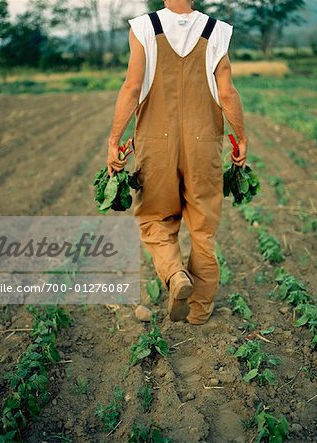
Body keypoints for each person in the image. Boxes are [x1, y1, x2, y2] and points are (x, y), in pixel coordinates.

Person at [106, 0, 248, 325]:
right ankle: (199, 311)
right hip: (204, 145)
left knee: (155, 219)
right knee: (202, 230)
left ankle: (175, 274)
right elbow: (227, 94)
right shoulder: (217, 32)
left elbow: (131, 88)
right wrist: (241, 139)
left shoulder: (143, 28)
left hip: (155, 146)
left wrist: (114, 140)